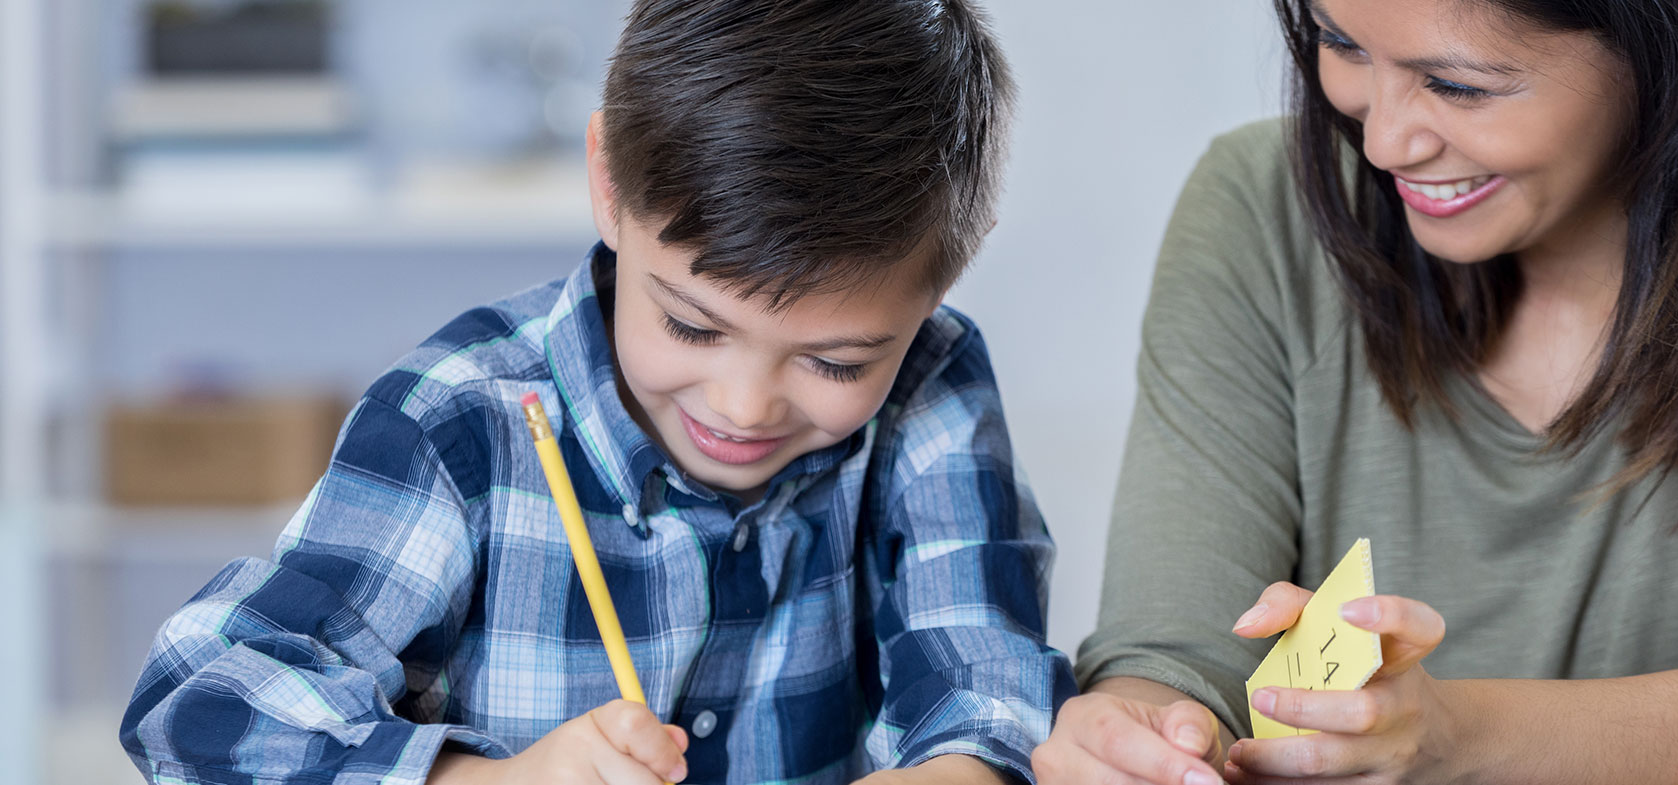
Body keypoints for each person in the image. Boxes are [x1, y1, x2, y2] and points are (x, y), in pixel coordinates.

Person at [119, 2, 1073, 784]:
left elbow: (984, 675)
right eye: (692, 326)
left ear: (948, 276)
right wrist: (488, 781)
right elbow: (197, 707)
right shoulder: (461, 415)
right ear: (609, 182)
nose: (743, 407)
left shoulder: (931, 383)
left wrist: (962, 769)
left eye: (834, 364)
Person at [1040, 0, 1678, 782]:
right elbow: (1180, 657)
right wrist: (1146, 732)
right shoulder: (1257, 212)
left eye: (1458, 86)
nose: (1383, 141)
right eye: (1339, 41)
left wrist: (1451, 735)